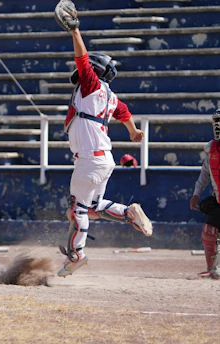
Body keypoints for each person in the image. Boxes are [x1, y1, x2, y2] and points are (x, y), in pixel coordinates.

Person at [54, 1, 153, 277]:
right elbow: (123, 112)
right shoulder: (110, 95)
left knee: (77, 210)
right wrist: (132, 130)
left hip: (89, 160)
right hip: (104, 159)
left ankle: (76, 254)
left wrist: (74, 31)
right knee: (94, 207)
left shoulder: (91, 85)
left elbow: (82, 60)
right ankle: (129, 213)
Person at [189, 109, 220, 280]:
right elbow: (205, 174)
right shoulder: (212, 151)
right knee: (209, 232)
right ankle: (212, 268)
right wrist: (196, 194)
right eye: (217, 121)